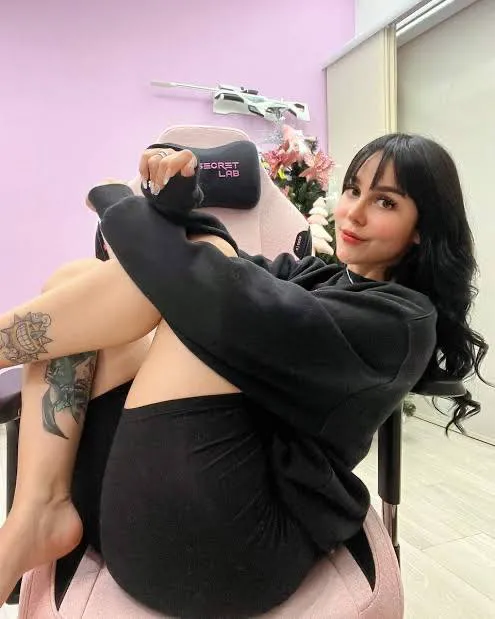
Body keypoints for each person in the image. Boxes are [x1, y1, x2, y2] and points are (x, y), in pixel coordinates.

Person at [0, 134, 489, 618]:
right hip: (156, 506)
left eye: (385, 202)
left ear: (422, 228)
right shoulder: (316, 277)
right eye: (352, 190)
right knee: (76, 277)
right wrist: (177, 201)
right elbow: (226, 260)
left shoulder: (401, 321)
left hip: (223, 552)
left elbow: (221, 293)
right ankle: (37, 510)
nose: (354, 213)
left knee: (198, 306)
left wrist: (118, 202)